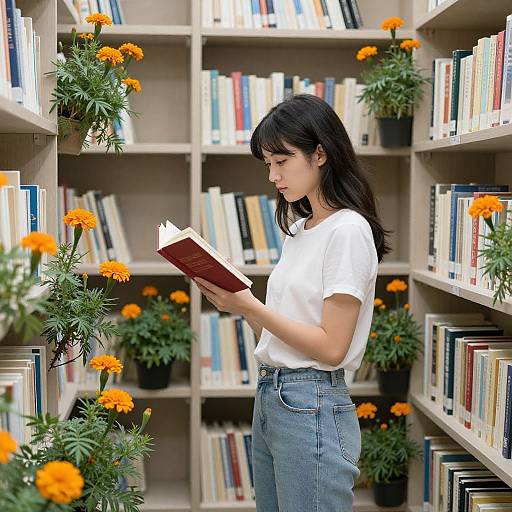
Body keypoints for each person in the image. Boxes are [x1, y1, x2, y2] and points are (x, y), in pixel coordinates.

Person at [194, 94, 391, 512]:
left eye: (281, 162)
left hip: (311, 402)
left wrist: (253, 305)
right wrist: (241, 305)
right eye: (268, 164)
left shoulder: (348, 230)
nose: (273, 177)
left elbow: (331, 347)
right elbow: (283, 335)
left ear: (321, 153)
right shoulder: (300, 231)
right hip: (272, 395)